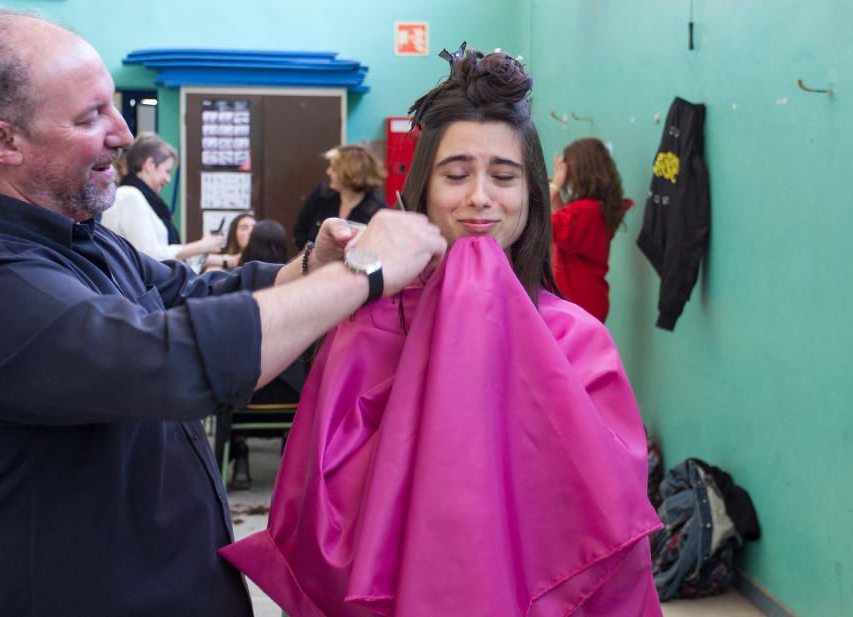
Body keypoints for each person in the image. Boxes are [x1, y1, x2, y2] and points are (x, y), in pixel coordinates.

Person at [0, 9, 445, 617]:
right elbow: (165, 358)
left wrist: (311, 267)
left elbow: (190, 295)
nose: (123, 135)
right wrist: (362, 276)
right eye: (89, 117)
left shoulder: (84, 239)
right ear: (3, 142)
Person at [221, 46, 662, 617]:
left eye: (503, 176)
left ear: (531, 193)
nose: (480, 196)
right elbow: (316, 518)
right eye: (456, 174)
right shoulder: (364, 327)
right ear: (422, 190)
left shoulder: (578, 342)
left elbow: (611, 543)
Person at [219, 219, 305, 489]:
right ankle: (288, 455)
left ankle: (240, 452)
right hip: (292, 399)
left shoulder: (234, 287)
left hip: (246, 396)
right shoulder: (301, 289)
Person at [102, 131, 225, 263]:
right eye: (166, 171)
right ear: (149, 165)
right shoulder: (129, 196)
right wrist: (202, 246)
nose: (168, 179)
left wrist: (223, 259)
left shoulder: (141, 199)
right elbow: (151, 256)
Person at [549, 137, 632, 322]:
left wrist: (555, 185)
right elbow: (562, 221)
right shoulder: (596, 209)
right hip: (590, 299)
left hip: (577, 305)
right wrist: (554, 191)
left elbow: (541, 223)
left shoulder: (586, 211)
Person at [292, 144, 387, 249]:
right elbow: (300, 232)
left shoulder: (377, 211)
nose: (328, 172)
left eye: (333, 168)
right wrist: (312, 256)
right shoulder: (322, 194)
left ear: (350, 174)